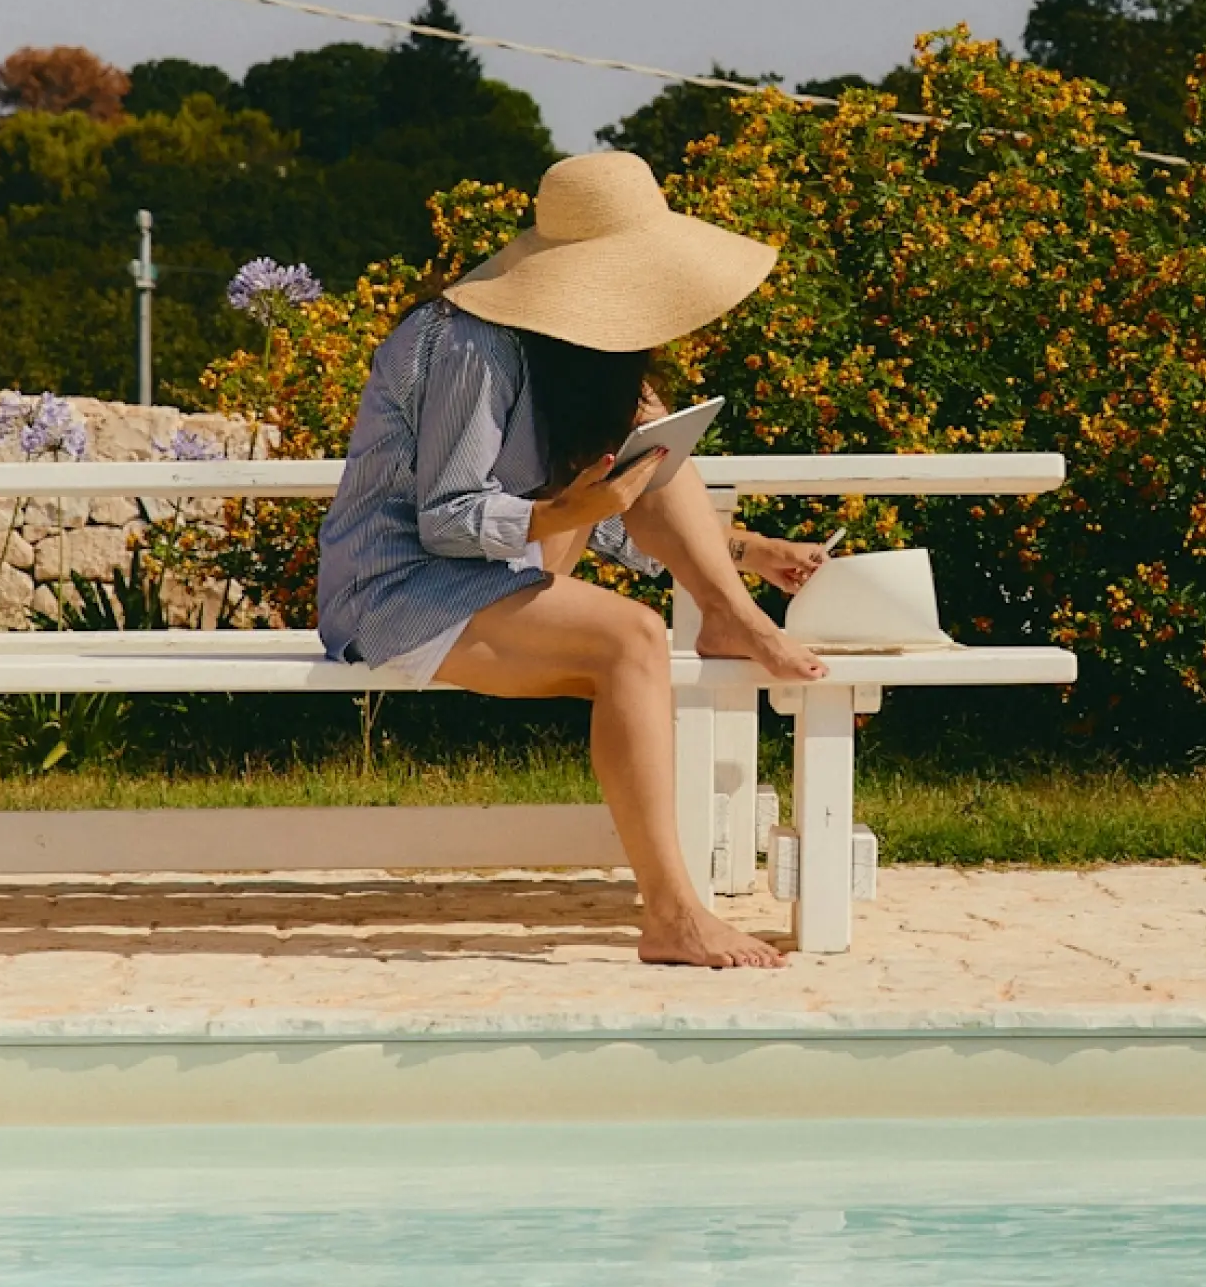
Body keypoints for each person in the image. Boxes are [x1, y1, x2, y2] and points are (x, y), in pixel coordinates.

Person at [317, 151, 829, 969]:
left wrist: (744, 550)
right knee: (630, 638)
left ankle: (731, 611)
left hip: (496, 573)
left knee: (655, 441)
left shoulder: (579, 355)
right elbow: (448, 519)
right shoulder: (468, 344)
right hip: (395, 588)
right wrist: (563, 514)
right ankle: (673, 916)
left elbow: (614, 511)